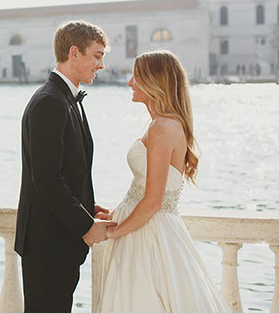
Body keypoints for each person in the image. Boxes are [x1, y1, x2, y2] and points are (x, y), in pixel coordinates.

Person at [95, 50, 229, 313]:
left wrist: (113, 231)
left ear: (154, 81)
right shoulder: (163, 124)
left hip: (148, 235)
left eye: (136, 77)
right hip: (150, 228)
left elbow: (154, 201)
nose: (129, 83)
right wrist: (117, 214)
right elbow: (149, 187)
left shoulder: (161, 128)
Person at [14, 20, 115, 313]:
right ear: (74, 52)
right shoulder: (49, 102)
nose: (101, 65)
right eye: (97, 55)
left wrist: (89, 207)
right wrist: (85, 225)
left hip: (60, 242)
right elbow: (47, 178)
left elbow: (70, 170)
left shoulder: (69, 99)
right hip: (47, 245)